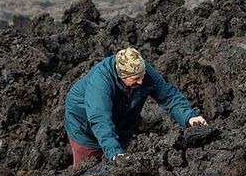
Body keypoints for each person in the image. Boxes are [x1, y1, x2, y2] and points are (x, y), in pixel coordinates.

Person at [64, 47, 207, 167]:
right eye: (135, 79)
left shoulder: (141, 71)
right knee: (90, 169)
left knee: (122, 164)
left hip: (121, 120)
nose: (141, 81)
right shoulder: (101, 83)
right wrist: (115, 153)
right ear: (121, 76)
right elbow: (100, 119)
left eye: (142, 76)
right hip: (84, 127)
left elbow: (168, 96)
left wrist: (189, 117)